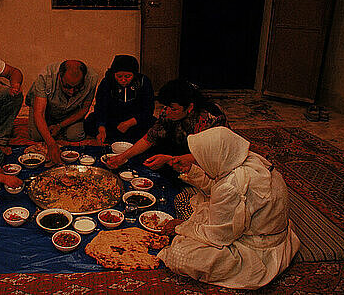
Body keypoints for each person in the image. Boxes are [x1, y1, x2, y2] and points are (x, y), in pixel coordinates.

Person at [153, 126, 300, 290]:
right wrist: (191, 171)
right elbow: (219, 188)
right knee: (184, 199)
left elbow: (219, 236)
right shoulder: (245, 159)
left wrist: (181, 227)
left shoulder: (232, 185)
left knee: (179, 254)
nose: (198, 162)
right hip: (256, 226)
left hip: (256, 247)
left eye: (200, 159)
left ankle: (239, 266)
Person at [105, 79, 227, 169]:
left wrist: (169, 159)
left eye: (173, 109)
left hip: (208, 159)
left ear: (189, 107)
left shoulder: (211, 119)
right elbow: (150, 138)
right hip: (182, 147)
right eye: (166, 107)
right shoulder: (168, 110)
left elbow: (207, 156)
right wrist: (123, 157)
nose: (167, 112)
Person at [25, 60, 98, 164]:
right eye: (67, 86)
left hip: (70, 111)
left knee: (76, 136)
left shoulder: (92, 78)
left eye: (77, 87)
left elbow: (84, 110)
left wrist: (60, 126)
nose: (71, 92)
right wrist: (51, 144)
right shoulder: (45, 76)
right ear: (60, 76)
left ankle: (55, 128)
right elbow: (39, 113)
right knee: (37, 136)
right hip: (45, 110)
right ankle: (49, 127)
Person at [84, 55, 155, 143]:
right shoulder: (106, 82)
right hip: (113, 119)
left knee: (153, 125)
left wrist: (129, 123)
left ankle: (118, 137)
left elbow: (148, 109)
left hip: (134, 119)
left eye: (128, 76)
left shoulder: (144, 82)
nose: (123, 80)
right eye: (119, 76)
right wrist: (101, 128)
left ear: (134, 74)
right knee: (89, 122)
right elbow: (100, 107)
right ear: (114, 74)